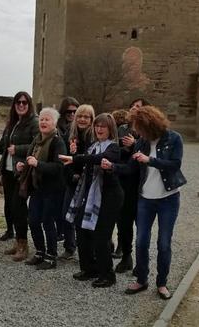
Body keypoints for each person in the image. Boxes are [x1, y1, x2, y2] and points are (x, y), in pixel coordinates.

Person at [102, 105, 185, 299]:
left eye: (138, 127)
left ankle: (162, 283)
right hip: (146, 199)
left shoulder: (174, 138)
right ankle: (141, 279)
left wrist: (150, 160)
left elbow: (175, 165)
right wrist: (112, 166)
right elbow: (131, 168)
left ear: (149, 124)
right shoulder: (141, 142)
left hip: (168, 199)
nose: (136, 131)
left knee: (163, 243)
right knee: (141, 241)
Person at [61, 113, 123, 287]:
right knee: (82, 230)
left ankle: (107, 275)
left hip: (109, 197)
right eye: (97, 126)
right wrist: (74, 154)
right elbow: (81, 166)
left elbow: (98, 160)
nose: (99, 129)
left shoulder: (113, 148)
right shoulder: (92, 146)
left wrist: (76, 158)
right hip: (88, 195)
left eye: (103, 126)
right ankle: (89, 268)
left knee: (101, 236)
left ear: (110, 129)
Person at [16, 107, 66, 270]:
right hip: (37, 188)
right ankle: (39, 252)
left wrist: (38, 164)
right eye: (42, 119)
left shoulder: (57, 142)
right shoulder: (37, 140)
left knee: (47, 222)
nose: (43, 122)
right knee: (33, 220)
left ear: (55, 123)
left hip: (52, 189)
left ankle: (51, 256)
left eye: (47, 119)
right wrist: (22, 166)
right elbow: (30, 161)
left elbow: (59, 167)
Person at [0, 91, 39, 262]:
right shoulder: (12, 122)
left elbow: (38, 144)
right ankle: (17, 241)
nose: (21, 105)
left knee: (19, 207)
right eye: (18, 102)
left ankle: (23, 245)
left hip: (22, 172)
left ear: (29, 104)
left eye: (24, 102)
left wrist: (18, 149)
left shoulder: (34, 122)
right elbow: (3, 147)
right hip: (8, 170)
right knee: (11, 207)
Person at [113, 98, 150, 272]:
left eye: (138, 107)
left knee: (142, 225)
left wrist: (134, 145)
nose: (134, 109)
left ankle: (141, 262)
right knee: (124, 222)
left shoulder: (148, 132)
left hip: (141, 182)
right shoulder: (122, 129)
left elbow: (149, 154)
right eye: (132, 106)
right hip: (124, 180)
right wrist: (125, 149)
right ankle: (126, 256)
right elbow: (116, 150)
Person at [58, 103, 95, 261]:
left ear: (91, 119)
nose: (82, 119)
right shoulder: (69, 134)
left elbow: (92, 158)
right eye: (80, 116)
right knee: (66, 214)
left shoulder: (94, 136)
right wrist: (72, 173)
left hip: (89, 183)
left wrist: (76, 155)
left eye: (86, 117)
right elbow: (63, 158)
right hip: (72, 181)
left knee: (84, 217)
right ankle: (69, 246)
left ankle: (88, 249)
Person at [55, 97, 80, 253]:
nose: (71, 114)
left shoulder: (80, 128)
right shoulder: (58, 128)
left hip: (75, 174)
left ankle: (75, 245)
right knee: (63, 212)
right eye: (68, 111)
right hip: (61, 174)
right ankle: (69, 245)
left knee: (77, 214)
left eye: (74, 111)